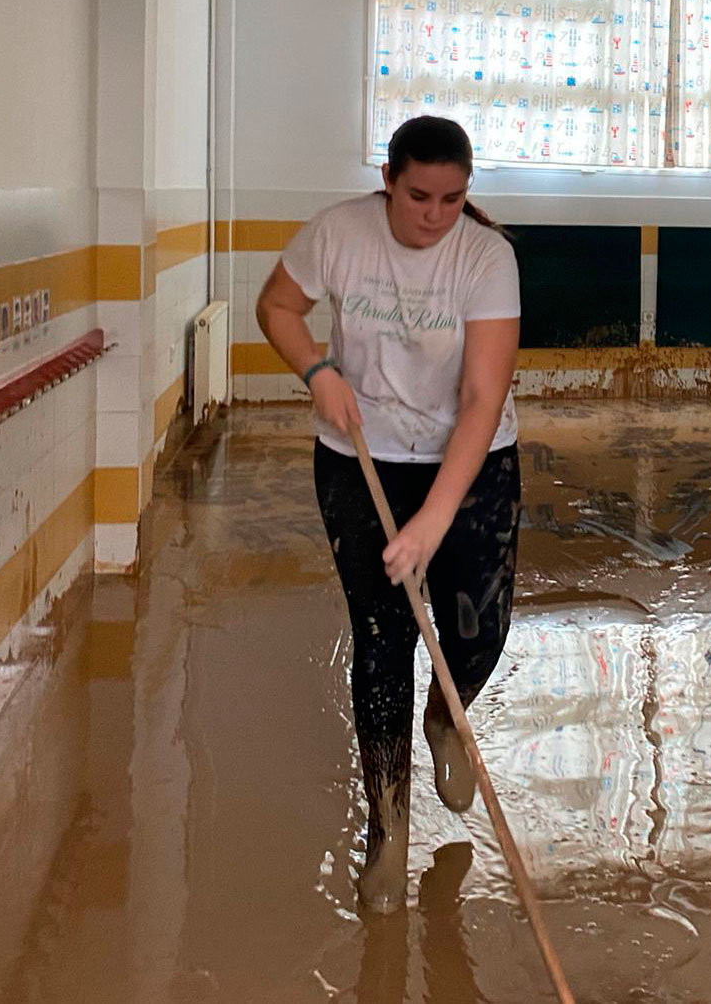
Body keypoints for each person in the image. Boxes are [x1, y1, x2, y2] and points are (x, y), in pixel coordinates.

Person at [255, 115, 522, 914]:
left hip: (471, 463)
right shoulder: (339, 233)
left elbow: (482, 397)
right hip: (361, 455)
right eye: (418, 196)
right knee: (381, 639)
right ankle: (389, 828)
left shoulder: (486, 258)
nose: (435, 215)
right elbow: (277, 306)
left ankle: (447, 718)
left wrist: (433, 521)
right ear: (388, 180)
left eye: (452, 199)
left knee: (477, 633)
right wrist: (316, 370)